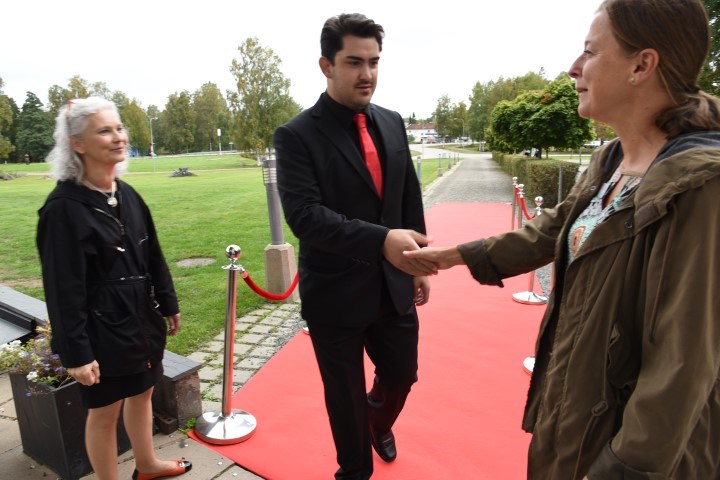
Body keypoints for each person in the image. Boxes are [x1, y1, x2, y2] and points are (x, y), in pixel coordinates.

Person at [405, 0, 720, 478]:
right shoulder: (613, 159)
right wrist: (452, 255)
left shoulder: (701, 187)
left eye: (590, 51)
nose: (573, 68)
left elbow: (683, 363)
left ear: (642, 64)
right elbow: (555, 228)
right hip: (575, 410)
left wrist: (621, 468)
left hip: (631, 450)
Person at [274, 13, 435, 480]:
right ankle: (354, 472)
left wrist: (418, 260)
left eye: (374, 62)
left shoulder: (392, 122)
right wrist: (382, 241)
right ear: (326, 65)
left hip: (393, 286)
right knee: (344, 399)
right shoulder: (296, 135)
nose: (367, 74)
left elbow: (407, 197)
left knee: (403, 375)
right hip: (335, 295)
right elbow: (305, 217)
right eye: (353, 62)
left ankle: (377, 420)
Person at [37, 97, 192, 480]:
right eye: (104, 130)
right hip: (101, 330)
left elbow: (153, 254)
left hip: (140, 319)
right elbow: (62, 291)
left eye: (119, 127)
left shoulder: (127, 194)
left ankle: (147, 463)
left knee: (143, 392)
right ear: (77, 143)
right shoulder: (62, 211)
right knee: (104, 412)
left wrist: (167, 301)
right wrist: (76, 352)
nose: (118, 137)